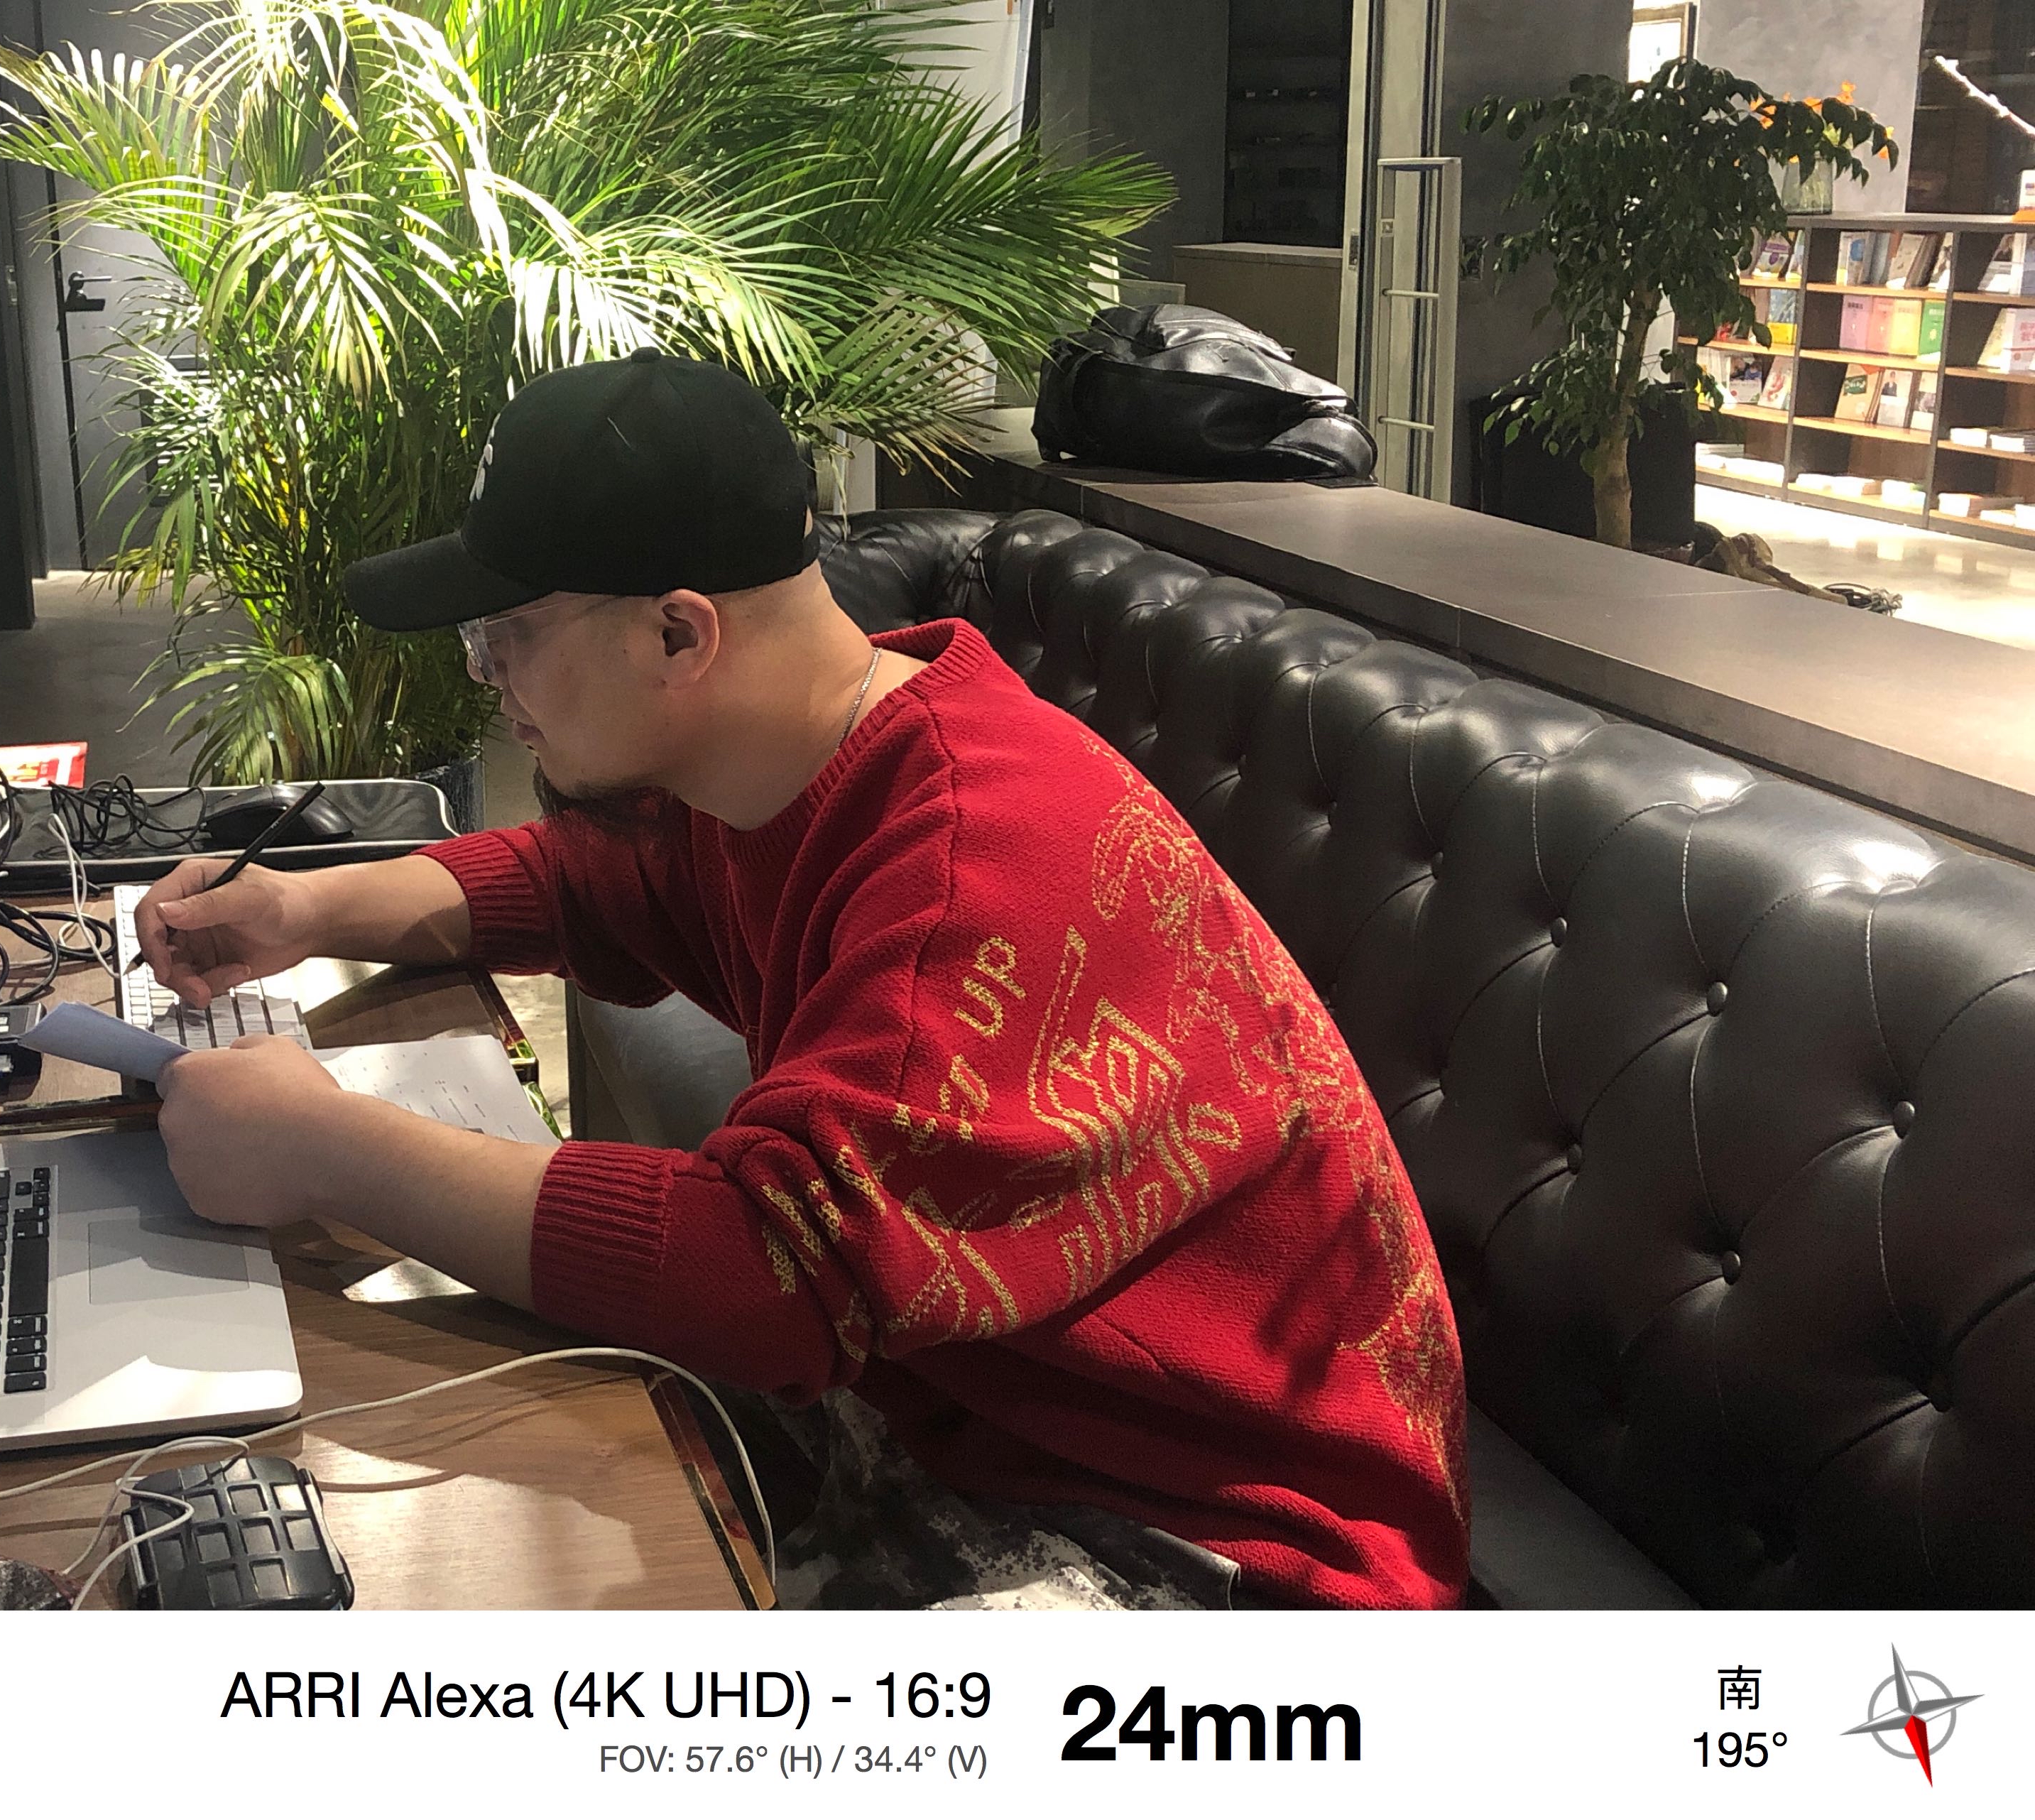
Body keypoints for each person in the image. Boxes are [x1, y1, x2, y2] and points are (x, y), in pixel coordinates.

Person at [134, 349, 1468, 1609]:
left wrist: (325, 1148)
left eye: (510, 635)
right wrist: (301, 909)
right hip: (963, 1406)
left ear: (678, 636)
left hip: (1227, 1539)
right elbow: (585, 883)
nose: (491, 682)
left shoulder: (976, 859)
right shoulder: (773, 763)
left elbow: (764, 1277)